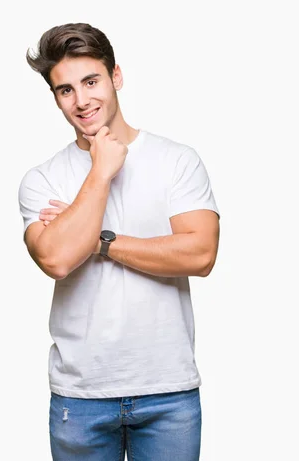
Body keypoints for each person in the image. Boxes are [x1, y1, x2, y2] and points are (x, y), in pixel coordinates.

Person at [18, 22, 220, 461]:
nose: (81, 100)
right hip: (80, 395)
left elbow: (200, 253)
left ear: (116, 77)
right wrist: (100, 170)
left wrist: (97, 239)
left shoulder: (177, 161)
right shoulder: (43, 179)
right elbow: (54, 258)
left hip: (167, 392)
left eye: (91, 82)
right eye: (65, 90)